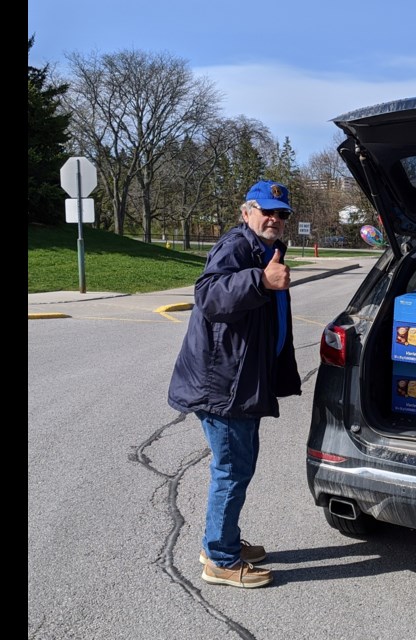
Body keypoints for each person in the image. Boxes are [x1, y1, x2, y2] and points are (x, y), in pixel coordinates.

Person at [168, 180, 302, 589]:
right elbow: (208, 296)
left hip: (241, 384)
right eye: (267, 211)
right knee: (231, 470)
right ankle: (221, 560)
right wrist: (260, 281)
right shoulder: (237, 247)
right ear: (246, 212)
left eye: (282, 214)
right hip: (222, 387)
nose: (275, 219)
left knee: (237, 467)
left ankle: (220, 543)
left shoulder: (265, 250)